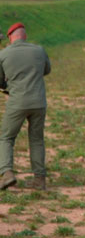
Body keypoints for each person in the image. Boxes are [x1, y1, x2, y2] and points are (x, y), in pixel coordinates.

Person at [0, 23, 52, 191]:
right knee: (37, 139)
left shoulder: (4, 54)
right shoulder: (39, 50)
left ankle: (7, 173)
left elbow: (1, 81)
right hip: (39, 101)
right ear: (25, 35)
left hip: (17, 102)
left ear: (10, 37)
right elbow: (46, 70)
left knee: (7, 137)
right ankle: (39, 179)